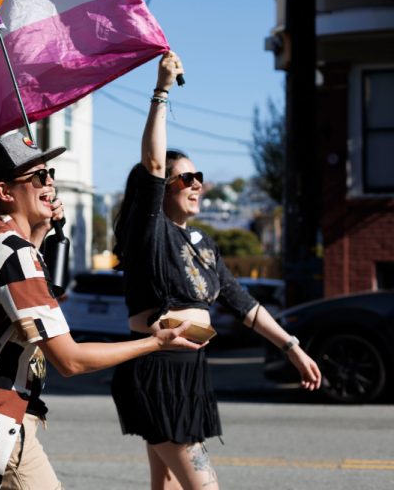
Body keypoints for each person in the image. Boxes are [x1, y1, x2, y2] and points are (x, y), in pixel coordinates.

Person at [0, 132, 204, 490]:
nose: (49, 182)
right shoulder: (16, 254)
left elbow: (10, 299)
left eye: (49, 173)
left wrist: (40, 232)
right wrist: (155, 343)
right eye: (37, 177)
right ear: (5, 192)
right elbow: (71, 361)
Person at [110, 51, 323, 490]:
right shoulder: (149, 233)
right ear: (163, 190)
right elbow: (152, 164)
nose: (196, 184)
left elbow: (243, 304)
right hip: (157, 369)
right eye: (185, 178)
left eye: (198, 177)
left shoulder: (204, 244)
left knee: (165, 487)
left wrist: (292, 347)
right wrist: (162, 90)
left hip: (190, 374)